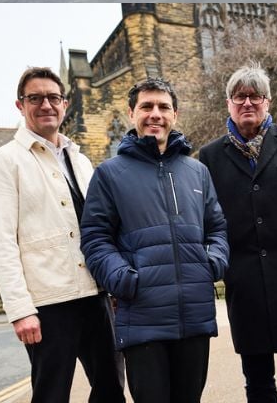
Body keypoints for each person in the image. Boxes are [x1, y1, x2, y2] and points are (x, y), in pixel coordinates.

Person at [0, 67, 125, 403]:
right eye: (35, 98)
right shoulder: (4, 161)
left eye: (53, 97)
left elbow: (101, 227)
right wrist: (20, 310)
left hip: (96, 295)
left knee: (111, 391)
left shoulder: (81, 160)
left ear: (65, 104)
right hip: (47, 304)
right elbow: (0, 241)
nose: (45, 105)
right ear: (20, 105)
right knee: (51, 395)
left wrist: (114, 283)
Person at [81, 77, 228, 403]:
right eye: (146, 106)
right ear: (132, 113)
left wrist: (212, 263)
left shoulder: (197, 171)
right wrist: (123, 279)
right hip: (143, 318)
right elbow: (95, 238)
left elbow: (217, 228)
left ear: (175, 114)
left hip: (194, 316)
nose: (155, 114)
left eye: (163, 107)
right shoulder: (109, 174)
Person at [198, 62, 277, 403]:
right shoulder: (210, 156)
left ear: (267, 102)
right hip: (246, 283)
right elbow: (208, 219)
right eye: (239, 96)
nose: (247, 103)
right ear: (228, 103)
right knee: (258, 382)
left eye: (255, 96)